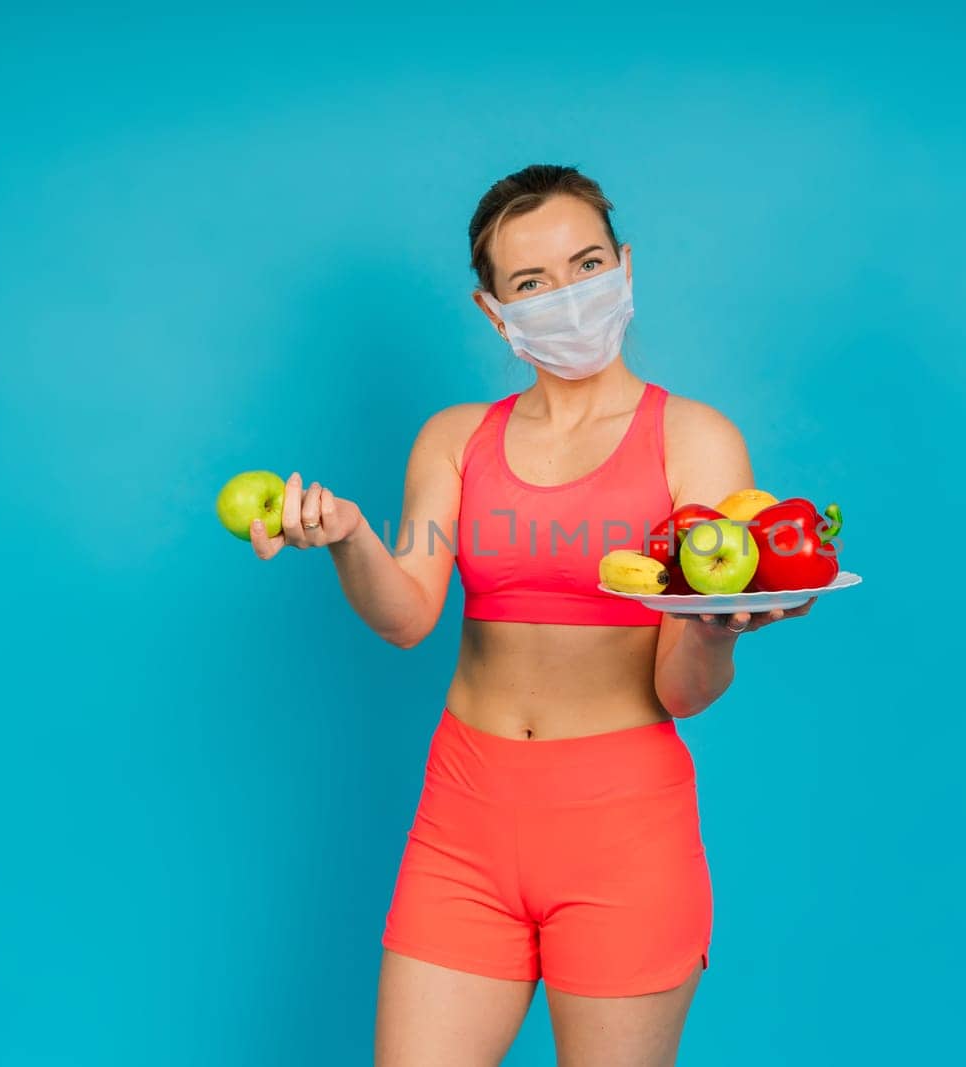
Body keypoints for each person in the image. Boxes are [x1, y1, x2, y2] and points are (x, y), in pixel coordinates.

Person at [250, 163, 815, 1066]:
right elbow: (406, 618)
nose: (569, 295)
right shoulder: (455, 439)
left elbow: (682, 689)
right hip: (461, 821)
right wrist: (353, 536)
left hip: (623, 832)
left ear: (626, 266)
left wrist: (713, 624)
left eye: (588, 264)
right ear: (493, 309)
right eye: (532, 282)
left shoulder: (695, 441)